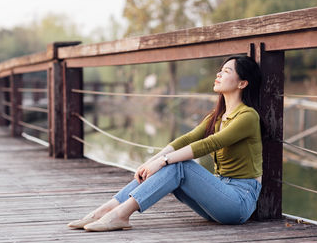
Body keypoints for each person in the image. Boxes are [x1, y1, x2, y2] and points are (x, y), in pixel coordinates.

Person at [67, 55, 263, 232]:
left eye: (227, 71)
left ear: (243, 83)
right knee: (173, 163)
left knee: (179, 165)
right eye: (220, 70)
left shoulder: (248, 116)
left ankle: (120, 215)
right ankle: (107, 209)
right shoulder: (217, 116)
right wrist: (151, 161)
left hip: (238, 202)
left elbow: (209, 144)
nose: (219, 74)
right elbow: (187, 139)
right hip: (217, 197)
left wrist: (163, 161)